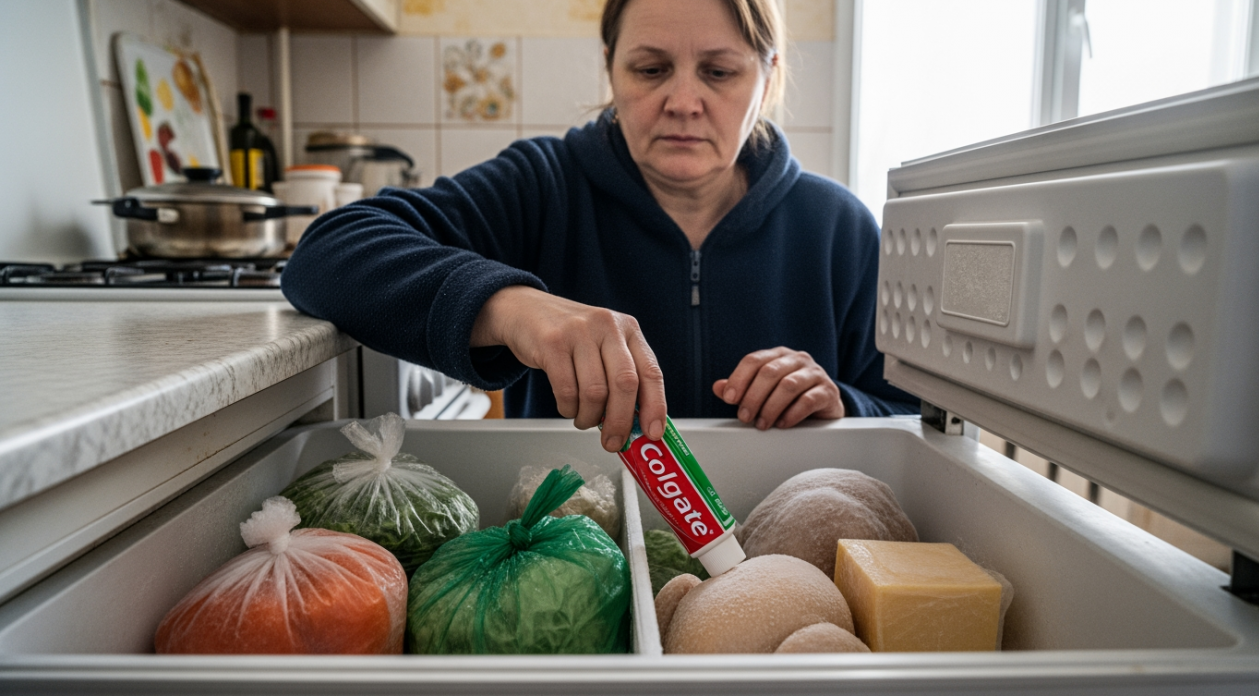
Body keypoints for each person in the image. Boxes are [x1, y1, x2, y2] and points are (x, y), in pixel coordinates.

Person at [281, 0, 918, 454]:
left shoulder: (839, 228)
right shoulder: (542, 185)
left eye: (720, 72)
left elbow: (918, 423)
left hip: (785, 564)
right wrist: (510, 306)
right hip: (579, 550)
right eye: (650, 69)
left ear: (768, 75)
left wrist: (842, 408)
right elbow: (327, 252)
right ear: (610, 67)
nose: (684, 102)